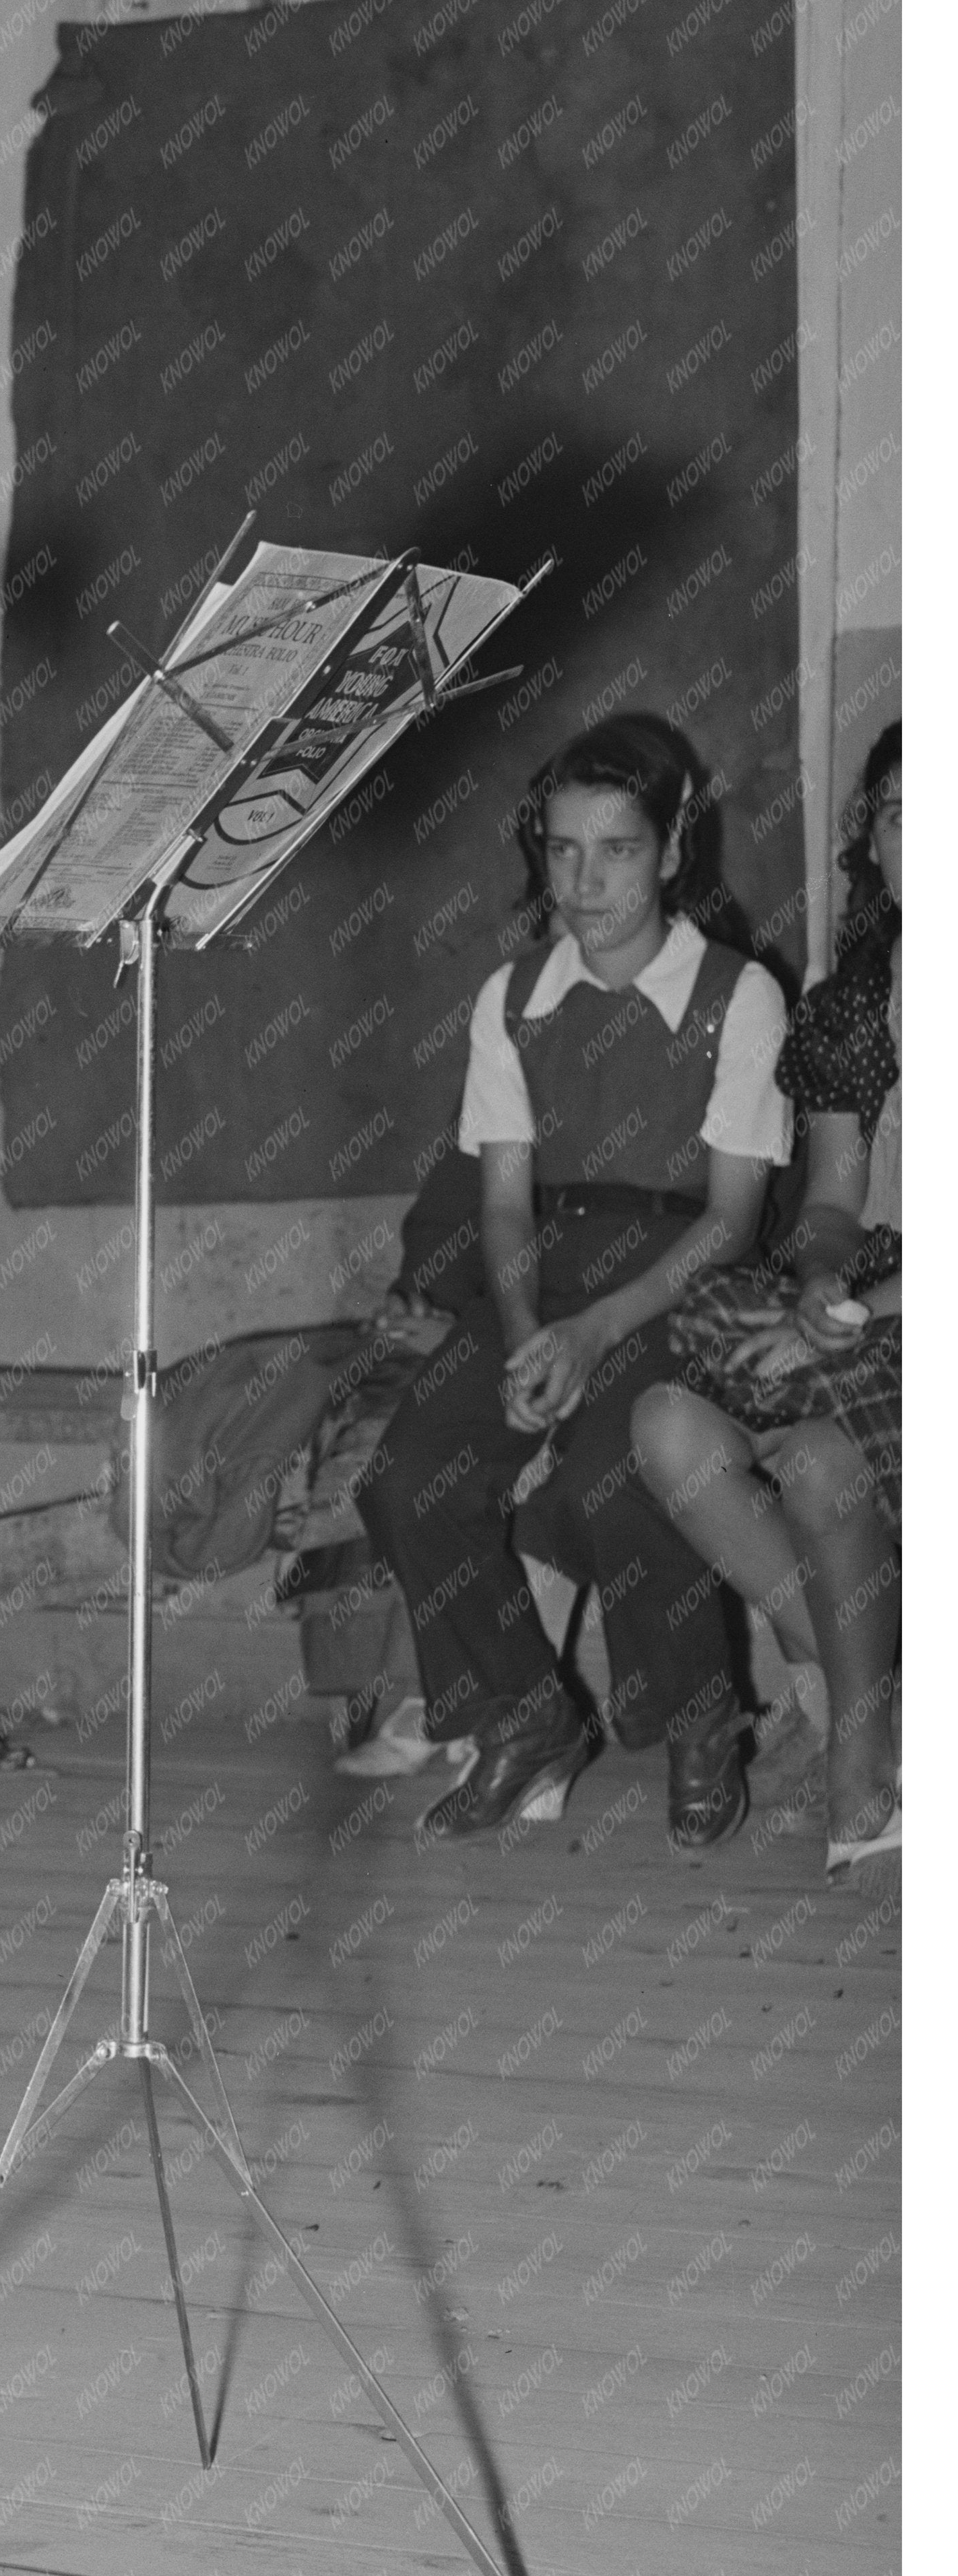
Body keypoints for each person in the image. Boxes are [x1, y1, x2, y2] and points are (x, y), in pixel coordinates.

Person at [356, 711, 789, 1849]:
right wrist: (517, 1336)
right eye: (561, 849)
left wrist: (597, 1333)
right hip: (538, 1280)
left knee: (612, 1470)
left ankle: (702, 1722)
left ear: (672, 848)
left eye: (617, 850)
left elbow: (733, 1217)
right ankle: (526, 1710)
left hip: (671, 1284)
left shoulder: (738, 996)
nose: (585, 880)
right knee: (408, 1472)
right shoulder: (508, 1000)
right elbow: (502, 1201)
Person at [633, 726, 901, 1868]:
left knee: (813, 1461)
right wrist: (822, 1278)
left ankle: (858, 1745)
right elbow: (834, 1200)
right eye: (893, 813)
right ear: (870, 849)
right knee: (664, 1421)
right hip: (885, 1290)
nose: (915, 833)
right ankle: (850, 1681)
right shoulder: (855, 1009)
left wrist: (872, 1310)